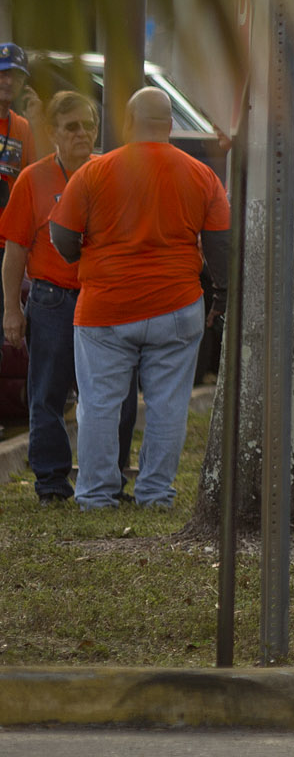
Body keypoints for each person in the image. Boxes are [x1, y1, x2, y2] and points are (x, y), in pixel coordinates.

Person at [47, 87, 229, 510]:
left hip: (106, 309)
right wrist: (219, 294)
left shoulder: (94, 172)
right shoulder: (201, 174)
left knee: (99, 405)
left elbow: (63, 235)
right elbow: (221, 244)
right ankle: (155, 494)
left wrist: (81, 256)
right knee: (168, 405)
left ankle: (95, 494)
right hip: (177, 306)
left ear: (127, 124)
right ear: (170, 126)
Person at [2, 92, 136, 503]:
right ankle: (53, 484)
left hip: (104, 298)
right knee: (47, 394)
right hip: (51, 300)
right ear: (52, 133)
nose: (83, 133)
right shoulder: (33, 180)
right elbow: (15, 251)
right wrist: (11, 310)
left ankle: (110, 478)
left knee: (119, 394)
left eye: (89, 125)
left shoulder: (112, 173)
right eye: (72, 126)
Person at [0, 43, 38, 203]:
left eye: (17, 77)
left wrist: (38, 122)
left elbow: (38, 178)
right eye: (3, 74)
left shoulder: (23, 127)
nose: (9, 82)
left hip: (9, 223)